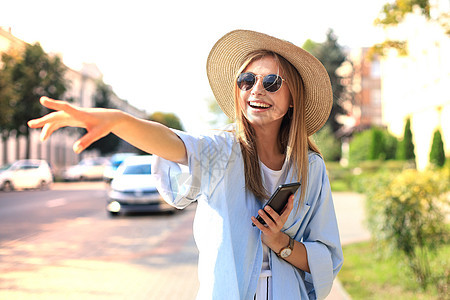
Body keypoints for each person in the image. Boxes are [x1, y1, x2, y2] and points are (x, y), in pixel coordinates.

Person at [28, 30, 343, 300]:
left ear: (293, 98)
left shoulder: (310, 168)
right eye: (247, 80)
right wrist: (119, 121)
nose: (256, 90)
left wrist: (280, 243)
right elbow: (175, 144)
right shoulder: (222, 150)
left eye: (272, 81)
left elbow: (326, 257)